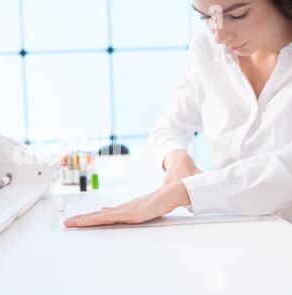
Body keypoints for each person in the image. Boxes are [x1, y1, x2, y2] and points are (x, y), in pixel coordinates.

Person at [65, 0, 292, 228]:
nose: (219, 36)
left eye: (237, 15)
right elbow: (170, 126)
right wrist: (176, 159)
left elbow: (285, 168)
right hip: (237, 232)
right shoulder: (208, 51)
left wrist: (183, 193)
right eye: (206, 17)